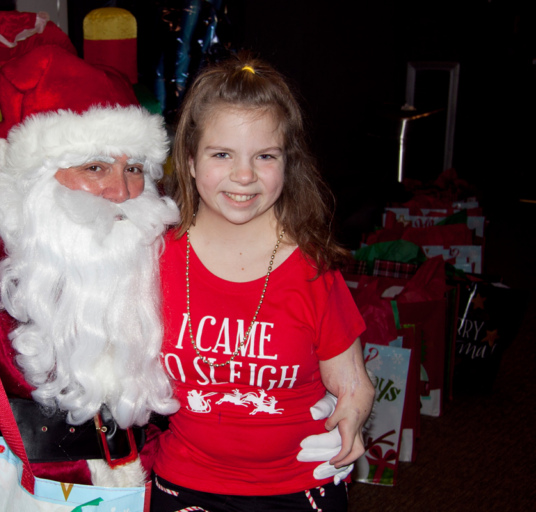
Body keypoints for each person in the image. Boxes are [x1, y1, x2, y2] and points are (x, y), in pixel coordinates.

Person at [0, 45, 352, 490]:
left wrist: (307, 399)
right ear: (32, 175)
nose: (122, 192)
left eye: (135, 169)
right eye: (96, 166)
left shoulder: (154, 238)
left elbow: (258, 300)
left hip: (147, 483)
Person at [151, 55, 375, 511]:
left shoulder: (313, 269)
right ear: (190, 161)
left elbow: (353, 383)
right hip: (186, 483)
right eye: (221, 154)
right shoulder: (153, 257)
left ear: (287, 164)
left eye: (265, 156)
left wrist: (351, 418)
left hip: (300, 487)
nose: (244, 175)